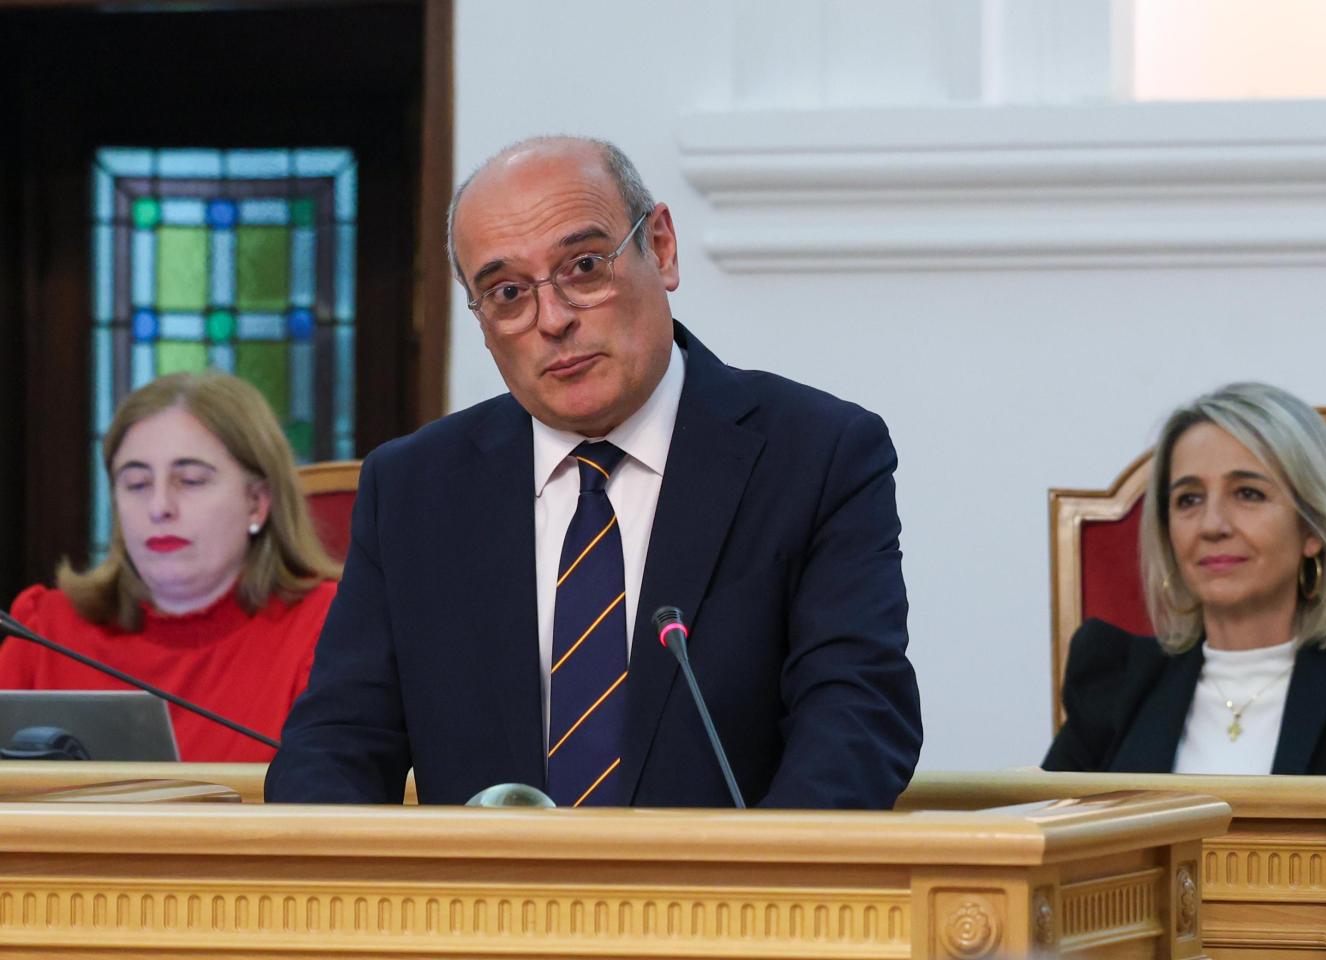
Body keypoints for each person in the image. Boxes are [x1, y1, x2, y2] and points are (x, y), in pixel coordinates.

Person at [265, 136, 922, 808]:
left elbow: (856, 717)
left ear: (660, 248)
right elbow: (339, 740)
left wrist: (760, 898)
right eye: (508, 292)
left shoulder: (815, 454)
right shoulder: (413, 489)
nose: (552, 320)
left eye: (583, 267)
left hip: (726, 903)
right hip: (482, 908)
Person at [1043, 382, 1326, 776]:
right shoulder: (1112, 685)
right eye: (1189, 499)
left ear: (1312, 529)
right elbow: (1047, 837)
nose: (1212, 525)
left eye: (1248, 494)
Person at [0, 372, 341, 761]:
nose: (160, 506)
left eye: (191, 480)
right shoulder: (45, 632)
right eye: (137, 484)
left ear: (257, 502)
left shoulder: (327, 628)